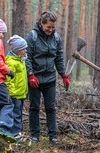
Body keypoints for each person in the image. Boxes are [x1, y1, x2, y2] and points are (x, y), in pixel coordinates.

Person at [25, 11, 70, 146]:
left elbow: (59, 57)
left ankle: (53, 136)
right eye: (48, 27)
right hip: (35, 79)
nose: (50, 30)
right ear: (41, 24)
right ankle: (35, 136)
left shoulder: (56, 38)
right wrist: (30, 74)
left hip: (50, 78)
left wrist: (63, 74)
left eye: (53, 27)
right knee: (34, 107)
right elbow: (26, 56)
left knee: (51, 108)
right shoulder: (32, 36)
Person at [5, 35, 29, 143]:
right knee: (16, 115)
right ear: (17, 50)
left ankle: (16, 134)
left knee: (18, 114)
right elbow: (8, 80)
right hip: (15, 95)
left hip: (21, 93)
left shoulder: (20, 60)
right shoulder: (10, 62)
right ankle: (15, 135)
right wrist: (12, 93)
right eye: (23, 49)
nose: (25, 50)